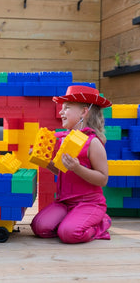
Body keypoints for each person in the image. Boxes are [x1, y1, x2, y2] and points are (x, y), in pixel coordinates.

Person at [30, 85, 112, 244]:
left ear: (83, 112)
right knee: (39, 227)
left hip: (90, 203)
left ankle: (99, 224)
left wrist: (77, 168)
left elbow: (103, 179)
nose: (61, 112)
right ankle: (72, 219)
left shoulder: (93, 142)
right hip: (65, 202)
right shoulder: (63, 140)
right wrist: (44, 161)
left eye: (66, 108)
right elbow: (61, 170)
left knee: (69, 234)